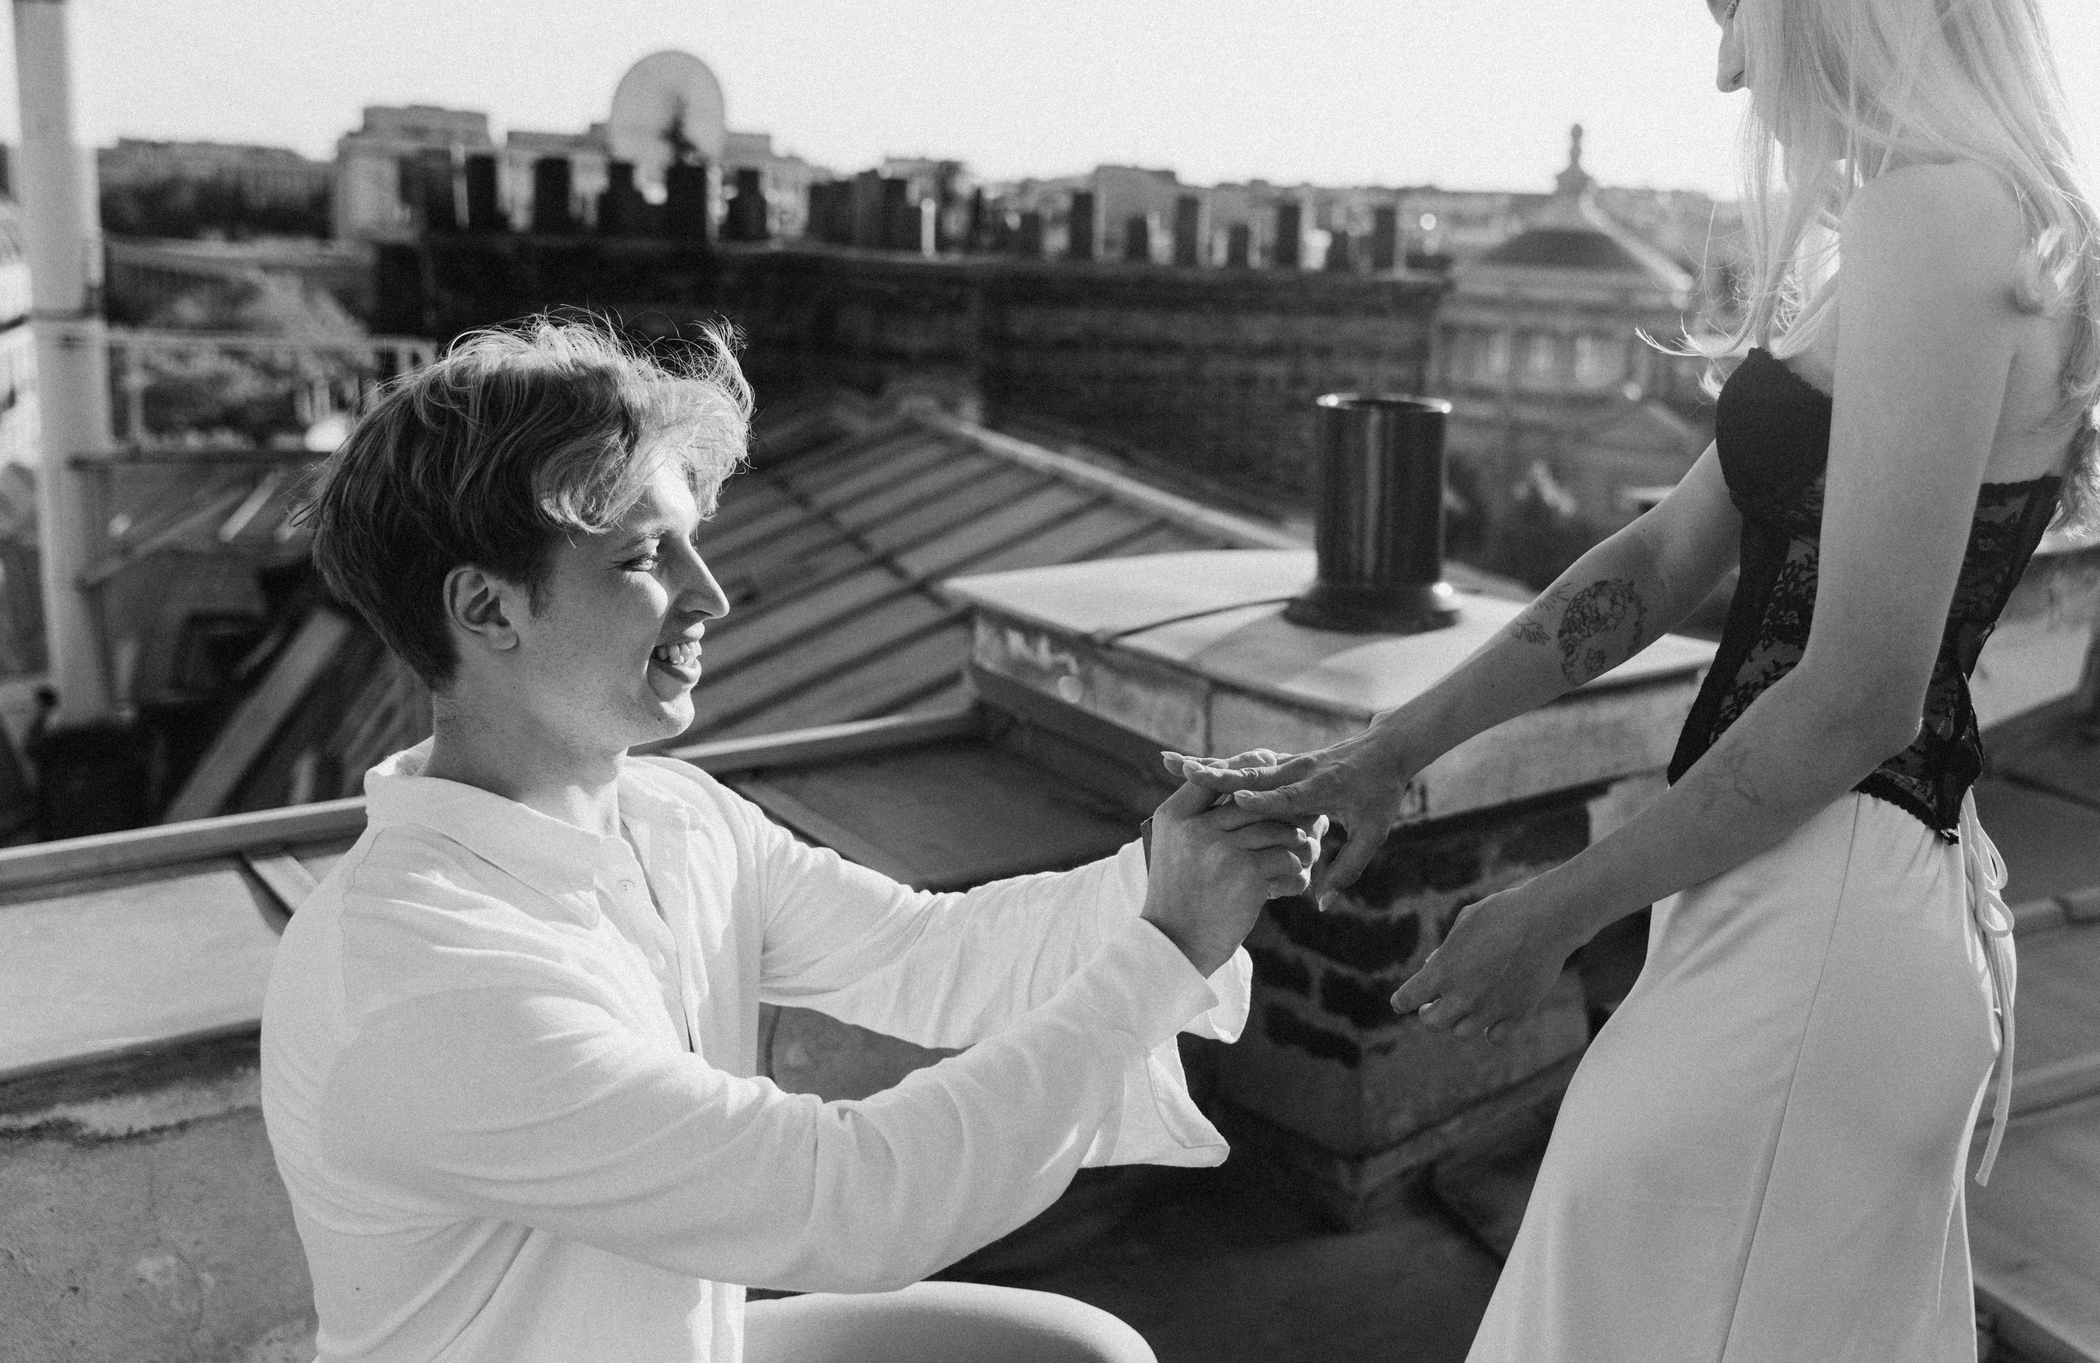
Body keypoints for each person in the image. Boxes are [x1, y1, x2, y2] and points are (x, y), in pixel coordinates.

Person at [1184, 0, 2100, 1361]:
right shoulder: (1933, 223)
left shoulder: (1947, 216)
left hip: (1826, 909)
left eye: (1739, 8)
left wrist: (1552, 911)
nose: (1725, 63)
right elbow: (1662, 559)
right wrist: (1385, 758)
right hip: (1800, 894)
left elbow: (1856, 695)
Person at [261, 316, 1320, 1363]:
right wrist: (1167, 945)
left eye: (691, 542)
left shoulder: (675, 820)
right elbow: (848, 1201)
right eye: (642, 557)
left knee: (1085, 1353)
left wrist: (1178, 862)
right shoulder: (423, 980)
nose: (709, 594)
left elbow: (933, 954)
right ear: (486, 608)